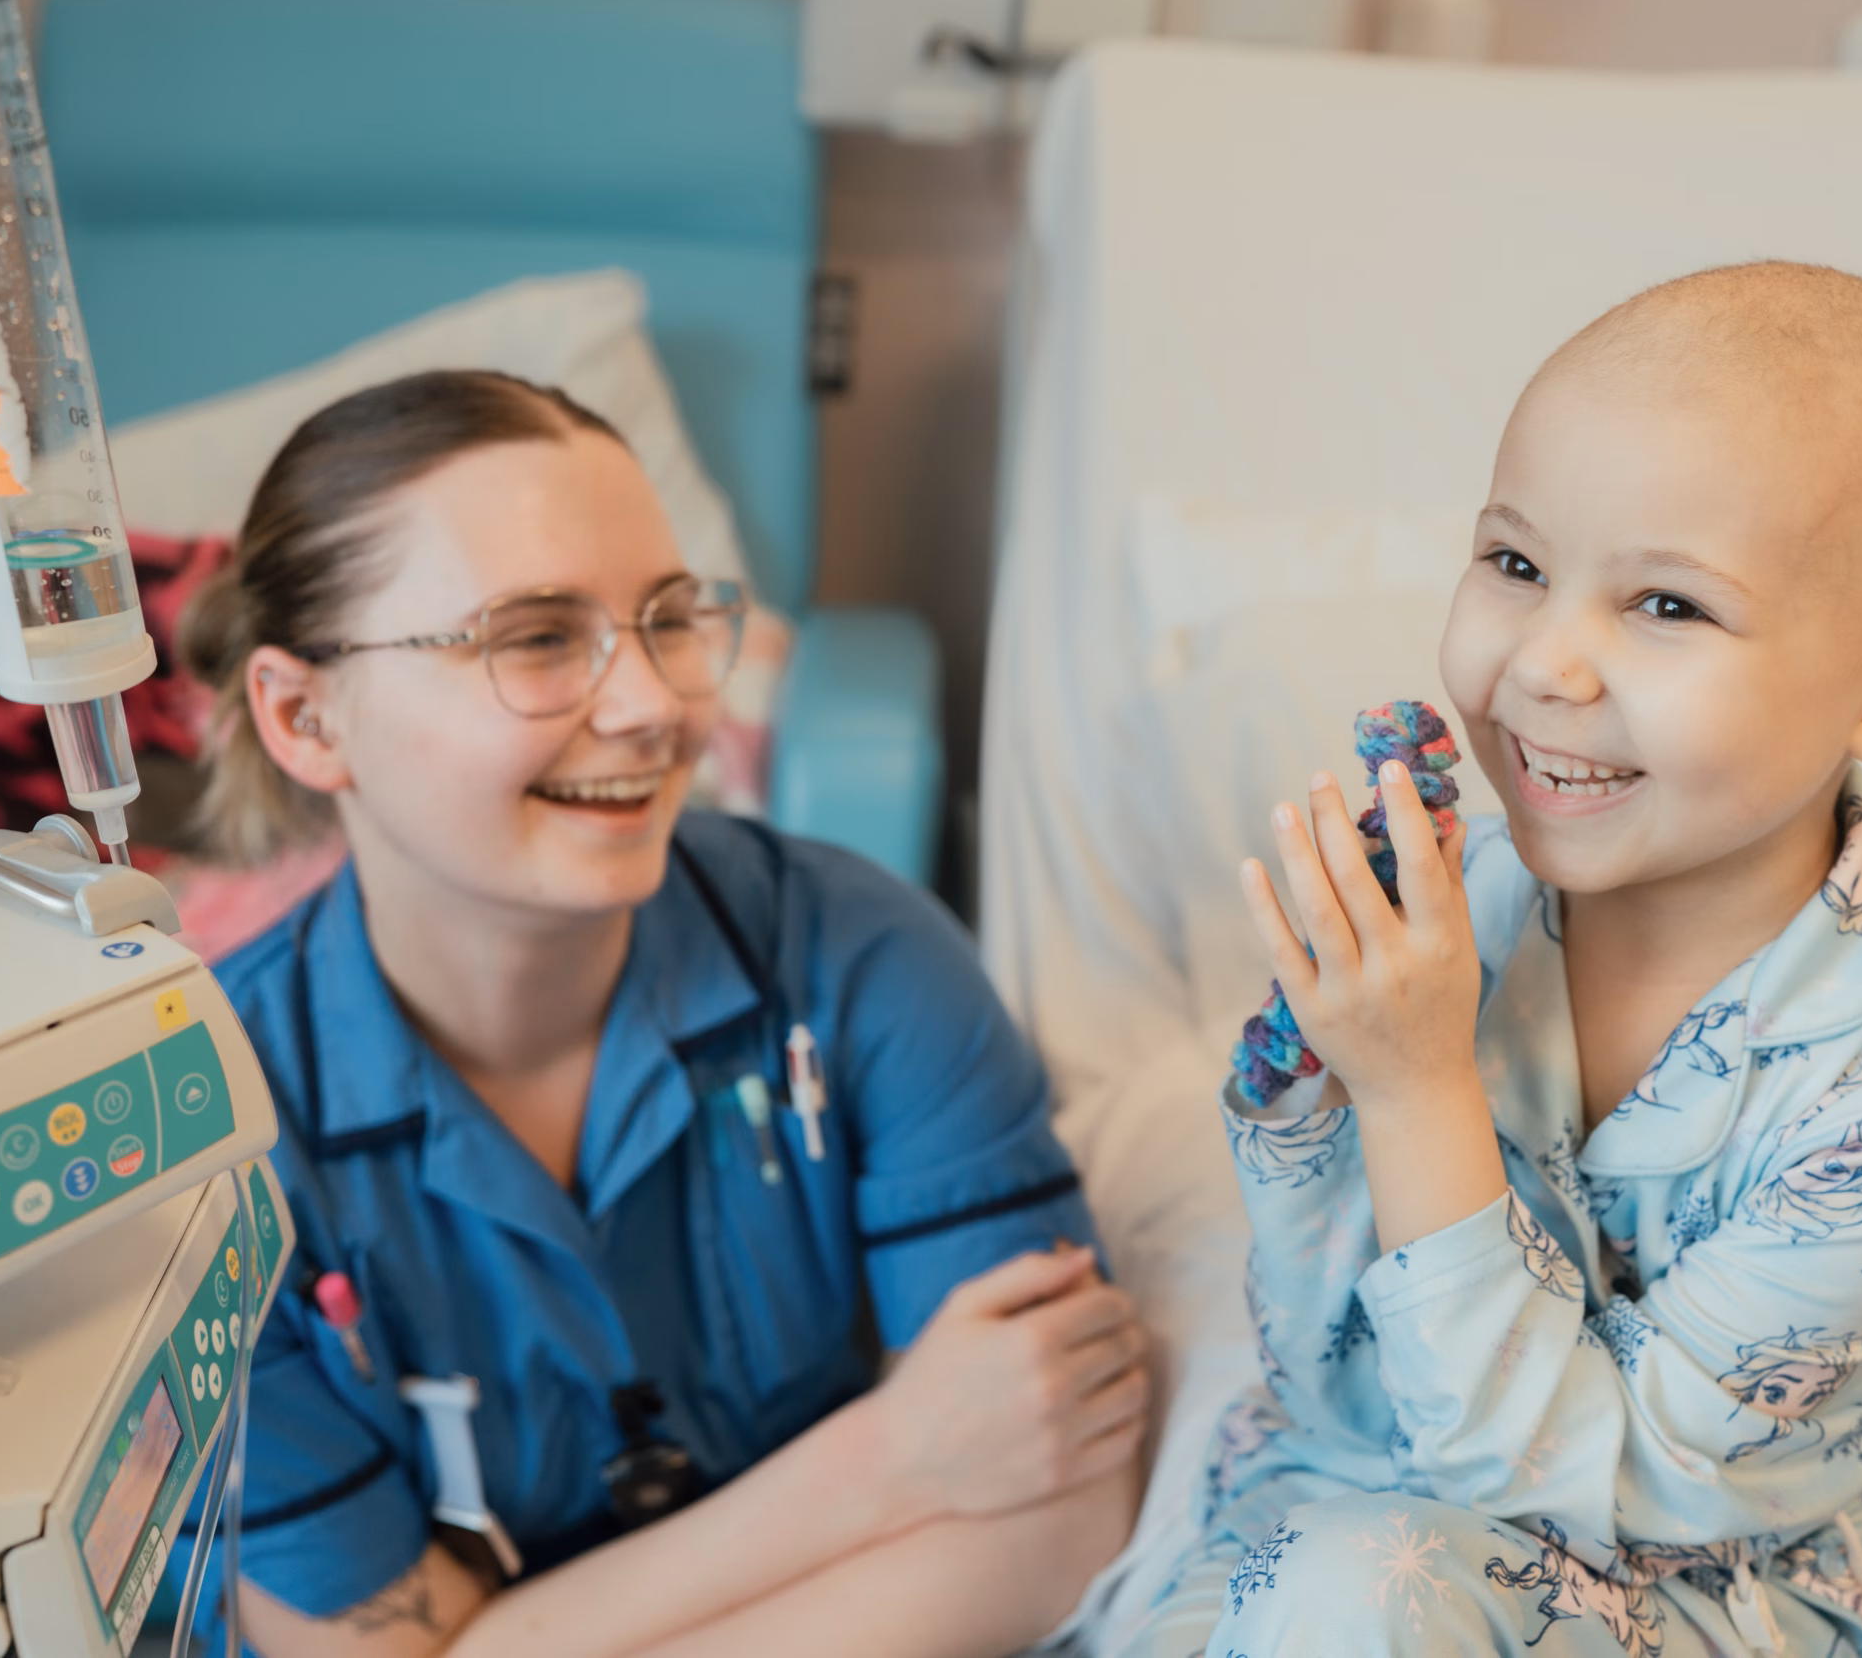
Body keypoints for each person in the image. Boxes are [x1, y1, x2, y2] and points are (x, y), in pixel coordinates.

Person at [1138, 262, 1862, 1656]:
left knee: (1342, 1603)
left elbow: (1593, 1493)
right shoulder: (1471, 906)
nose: (1545, 663)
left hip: (1697, 1579)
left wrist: (1415, 1087)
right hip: (1359, 1491)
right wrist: (1323, 1066)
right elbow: (1330, 1369)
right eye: (1515, 565)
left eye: (1668, 607)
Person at [177, 370, 1147, 1658]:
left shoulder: (861, 961)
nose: (653, 708)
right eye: (533, 636)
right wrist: (894, 1461)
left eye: (669, 619)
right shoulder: (206, 1150)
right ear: (307, 718)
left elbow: (1057, 1516)